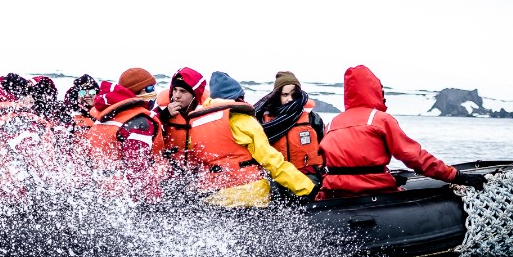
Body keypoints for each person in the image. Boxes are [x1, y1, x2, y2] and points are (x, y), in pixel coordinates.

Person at [318, 65, 486, 199]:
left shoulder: (332, 123)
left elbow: (328, 164)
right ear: (374, 90)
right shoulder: (380, 119)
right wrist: (457, 177)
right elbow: (415, 158)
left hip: (334, 193)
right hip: (374, 192)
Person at [169, 71, 315, 207]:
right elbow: (272, 161)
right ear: (236, 96)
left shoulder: (196, 124)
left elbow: (194, 163)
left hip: (213, 196)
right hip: (249, 194)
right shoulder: (242, 121)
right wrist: (307, 188)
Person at [85, 68, 165, 202]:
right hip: (125, 196)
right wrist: (154, 199)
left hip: (100, 189)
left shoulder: (106, 117)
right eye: (150, 88)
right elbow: (137, 169)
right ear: (136, 91)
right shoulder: (140, 122)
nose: (154, 93)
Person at [254, 70, 325, 178]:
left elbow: (325, 145)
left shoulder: (312, 118)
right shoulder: (264, 121)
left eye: (294, 94)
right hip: (278, 177)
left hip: (308, 174)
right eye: (285, 94)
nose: (290, 99)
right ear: (278, 95)